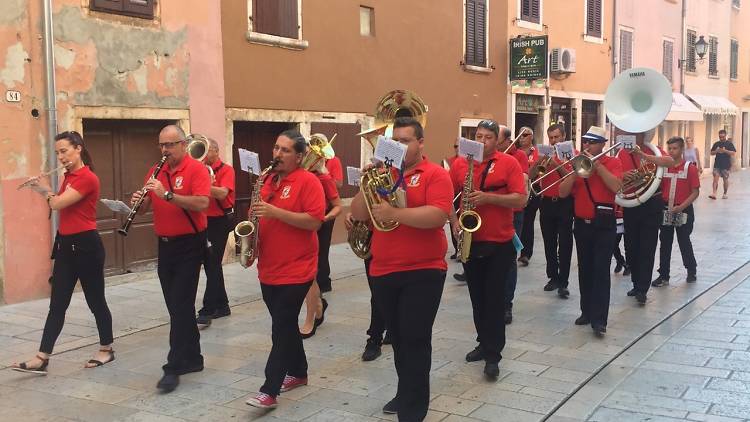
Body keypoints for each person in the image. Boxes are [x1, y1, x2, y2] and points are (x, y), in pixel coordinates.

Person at [351, 117, 452, 421]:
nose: (400, 146)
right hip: (383, 270)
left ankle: (413, 410)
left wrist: (395, 213)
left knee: (415, 338)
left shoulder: (435, 174)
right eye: (396, 141)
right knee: (397, 337)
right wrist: (366, 180)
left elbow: (437, 216)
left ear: (421, 143)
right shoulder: (382, 175)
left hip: (424, 270)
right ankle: (406, 391)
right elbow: (358, 214)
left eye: (406, 140)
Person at [12, 131, 114, 375]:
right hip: (67, 245)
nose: (60, 157)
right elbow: (57, 201)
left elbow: (57, 204)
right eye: (57, 153)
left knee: (95, 301)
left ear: (78, 148)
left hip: (87, 246)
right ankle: (42, 357)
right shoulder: (69, 176)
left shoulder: (87, 177)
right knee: (57, 304)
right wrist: (44, 190)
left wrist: (44, 189)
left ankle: (106, 349)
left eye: (64, 151)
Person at [244, 130, 325, 409]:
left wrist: (275, 212)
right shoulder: (266, 180)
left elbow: (315, 221)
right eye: (276, 148)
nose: (277, 154)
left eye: (285, 150)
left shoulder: (308, 181)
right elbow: (257, 214)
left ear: (300, 156)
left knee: (280, 328)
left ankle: (270, 390)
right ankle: (299, 372)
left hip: (298, 268)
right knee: (286, 324)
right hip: (269, 268)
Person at [130, 125, 211, 392]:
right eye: (161, 146)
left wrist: (167, 194)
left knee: (179, 305)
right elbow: (144, 209)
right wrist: (138, 202)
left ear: (183, 144)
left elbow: (202, 203)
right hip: (165, 246)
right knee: (178, 306)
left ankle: (173, 366)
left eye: (170, 145)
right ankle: (194, 358)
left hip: (190, 245)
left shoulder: (196, 169)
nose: (165, 151)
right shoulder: (157, 170)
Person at [449, 119, 527, 379]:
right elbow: (448, 196)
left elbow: (521, 198)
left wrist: (488, 197)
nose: (482, 141)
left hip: (500, 242)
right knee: (477, 298)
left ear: (498, 140)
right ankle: (483, 342)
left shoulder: (509, 163)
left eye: (488, 137)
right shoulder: (461, 163)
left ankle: (494, 355)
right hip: (472, 239)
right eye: (478, 136)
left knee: (494, 300)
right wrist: (454, 223)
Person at [558, 126, 623, 337]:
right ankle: (586, 312)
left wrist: (598, 167)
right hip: (582, 224)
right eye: (585, 141)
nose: (587, 145)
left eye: (592, 142)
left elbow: (616, 187)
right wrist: (574, 172)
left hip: (603, 225)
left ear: (603, 144)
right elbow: (562, 192)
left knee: (601, 271)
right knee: (585, 269)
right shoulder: (577, 164)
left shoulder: (613, 162)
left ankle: (599, 319)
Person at [617, 130, 677, 305]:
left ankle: (642, 288)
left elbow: (669, 161)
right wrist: (623, 176)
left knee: (647, 247)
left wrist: (642, 155)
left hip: (651, 203)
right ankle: (636, 283)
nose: (633, 137)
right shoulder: (621, 152)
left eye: (637, 134)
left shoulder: (653, 150)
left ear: (643, 136)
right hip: (631, 204)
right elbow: (615, 174)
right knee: (631, 246)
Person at [299, 152, 341, 338]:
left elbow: (337, 205)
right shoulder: (300, 177)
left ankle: (310, 318)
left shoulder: (324, 178)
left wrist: (325, 218)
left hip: (320, 225)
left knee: (311, 272)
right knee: (307, 273)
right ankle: (318, 305)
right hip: (302, 226)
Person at [197, 138, 235, 329]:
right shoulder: (200, 169)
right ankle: (223, 305)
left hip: (219, 221)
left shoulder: (227, 170)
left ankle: (207, 309)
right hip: (203, 220)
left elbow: (222, 193)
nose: (203, 154)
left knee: (212, 264)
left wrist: (203, 184)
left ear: (216, 151)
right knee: (212, 264)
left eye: (207, 150)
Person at [652, 136, 700, 287]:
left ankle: (691, 270)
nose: (671, 152)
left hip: (683, 210)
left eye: (675, 148)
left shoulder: (689, 168)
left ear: (681, 149)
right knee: (665, 242)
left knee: (683, 240)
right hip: (666, 209)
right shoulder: (664, 167)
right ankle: (663, 275)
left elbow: (695, 192)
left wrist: (681, 207)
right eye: (670, 149)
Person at [344, 213, 388, 362]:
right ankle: (378, 336)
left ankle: (381, 335)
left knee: (383, 293)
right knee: (377, 293)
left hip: (398, 240)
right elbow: (362, 202)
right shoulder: (369, 187)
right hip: (373, 240)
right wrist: (353, 214)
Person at [497, 125, 530, 324]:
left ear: (507, 141)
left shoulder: (518, 157)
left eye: (495, 139)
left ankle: (507, 304)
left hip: (513, 213)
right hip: (490, 214)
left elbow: (524, 180)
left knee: (509, 259)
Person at [537, 123, 573, 299]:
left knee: (565, 244)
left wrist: (556, 164)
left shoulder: (571, 155)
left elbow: (572, 176)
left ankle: (564, 282)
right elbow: (532, 175)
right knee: (549, 242)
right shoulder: (543, 154)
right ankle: (553, 277)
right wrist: (540, 162)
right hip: (546, 203)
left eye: (556, 137)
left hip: (565, 203)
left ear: (564, 136)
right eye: (550, 137)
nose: (553, 141)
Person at [518, 127, 539, 267]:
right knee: (517, 221)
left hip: (533, 187)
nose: (521, 138)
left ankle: (526, 253)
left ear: (531, 137)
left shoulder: (537, 152)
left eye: (525, 135)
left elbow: (538, 170)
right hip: (518, 188)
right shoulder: (516, 153)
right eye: (520, 135)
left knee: (528, 222)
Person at [709, 129, 736, 199]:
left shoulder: (729, 144)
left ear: (725, 135)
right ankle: (714, 193)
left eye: (723, 137)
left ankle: (725, 193)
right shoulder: (716, 143)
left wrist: (725, 151)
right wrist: (716, 151)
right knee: (715, 179)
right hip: (717, 164)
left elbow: (733, 153)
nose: (721, 138)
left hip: (726, 165)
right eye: (720, 137)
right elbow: (711, 153)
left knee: (725, 180)